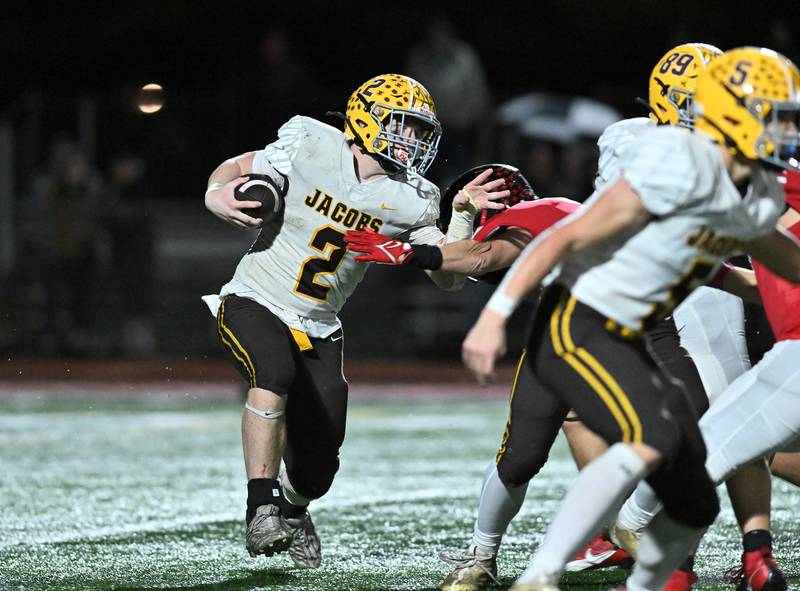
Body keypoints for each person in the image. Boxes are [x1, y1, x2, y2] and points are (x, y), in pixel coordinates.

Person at [461, 47, 800, 591]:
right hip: (580, 320)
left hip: (641, 331)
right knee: (655, 438)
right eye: (773, 113)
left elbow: (779, 268)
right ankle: (540, 574)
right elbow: (563, 238)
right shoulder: (671, 164)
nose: (785, 128)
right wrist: (494, 315)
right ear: (731, 113)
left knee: (691, 489)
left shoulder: (757, 192)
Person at [201, 73, 509, 568]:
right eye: (404, 126)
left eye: (420, 131)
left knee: (320, 467)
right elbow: (240, 164)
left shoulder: (416, 197)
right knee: (272, 374)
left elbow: (448, 276)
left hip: (320, 323)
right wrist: (218, 191)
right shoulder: (311, 140)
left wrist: (465, 213)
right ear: (367, 118)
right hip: (255, 296)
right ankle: (260, 507)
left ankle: (294, 510)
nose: (413, 140)